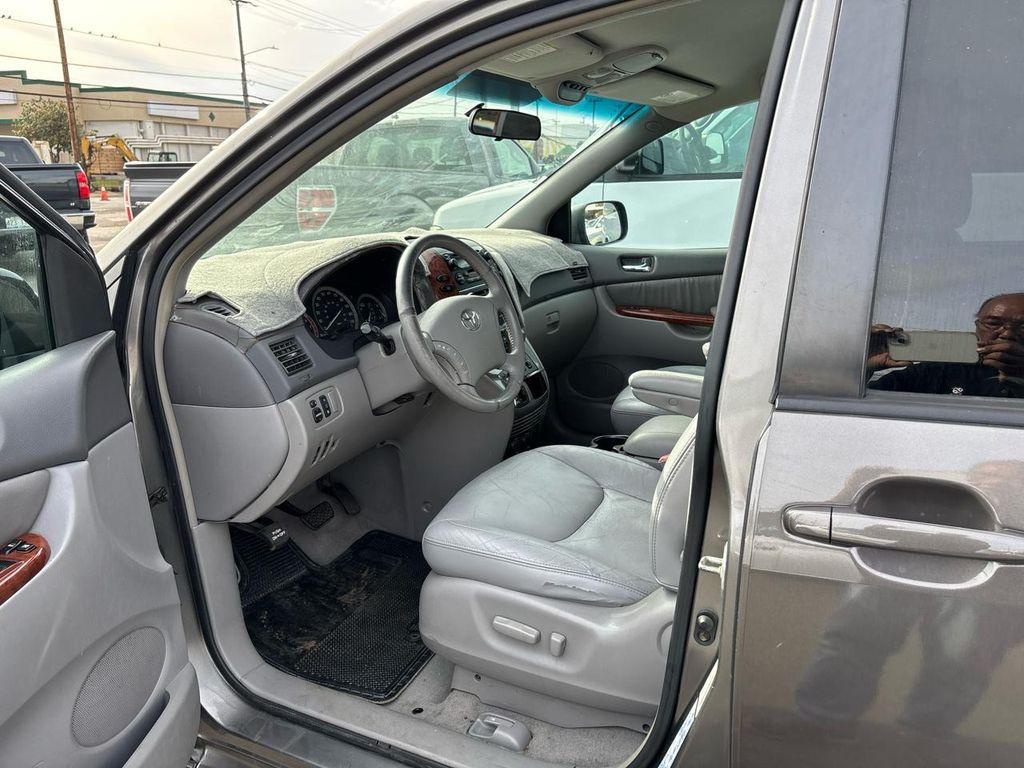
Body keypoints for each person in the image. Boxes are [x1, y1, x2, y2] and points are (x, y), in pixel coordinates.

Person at [868, 293, 1024, 396]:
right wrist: (865, 364)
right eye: (993, 323)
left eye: (1023, 326)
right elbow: (866, 399)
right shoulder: (938, 371)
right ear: (977, 326)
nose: (1007, 334)